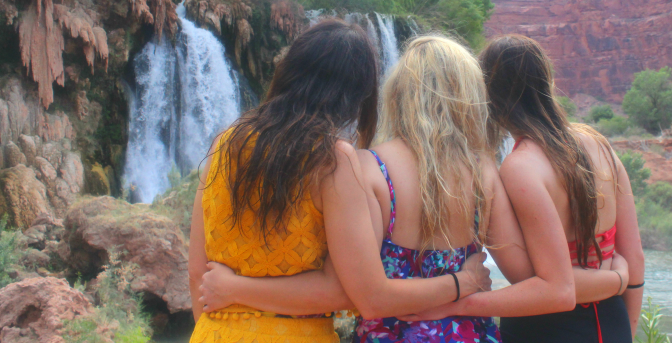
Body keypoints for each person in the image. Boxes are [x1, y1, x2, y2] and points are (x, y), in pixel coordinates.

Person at [197, 35, 629, 341]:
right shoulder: (483, 171)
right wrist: (611, 277)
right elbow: (532, 277)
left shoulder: (365, 167)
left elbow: (359, 289)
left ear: (396, 95)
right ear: (468, 97)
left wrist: (233, 290)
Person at [188, 22, 491, 343]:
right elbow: (350, 292)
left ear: (287, 70)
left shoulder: (223, 143)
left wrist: (227, 301)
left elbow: (199, 274)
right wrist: (464, 280)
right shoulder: (332, 160)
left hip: (212, 333)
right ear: (358, 94)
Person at [475, 34, 646, 342]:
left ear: (490, 97)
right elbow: (634, 258)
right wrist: (621, 294)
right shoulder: (599, 144)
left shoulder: (520, 167)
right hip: (613, 322)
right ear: (547, 80)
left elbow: (539, 283)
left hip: (547, 329)